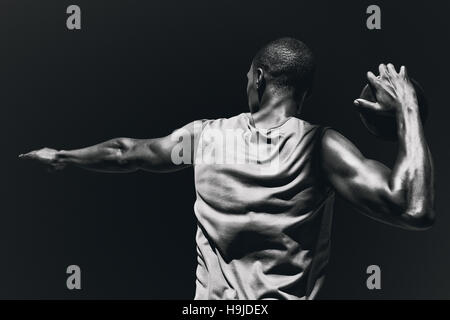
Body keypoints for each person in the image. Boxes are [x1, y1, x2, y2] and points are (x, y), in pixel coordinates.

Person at [19, 38, 434, 300]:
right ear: (303, 94)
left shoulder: (206, 142)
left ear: (258, 78)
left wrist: (61, 155)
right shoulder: (320, 151)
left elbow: (127, 153)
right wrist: (408, 110)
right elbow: (412, 208)